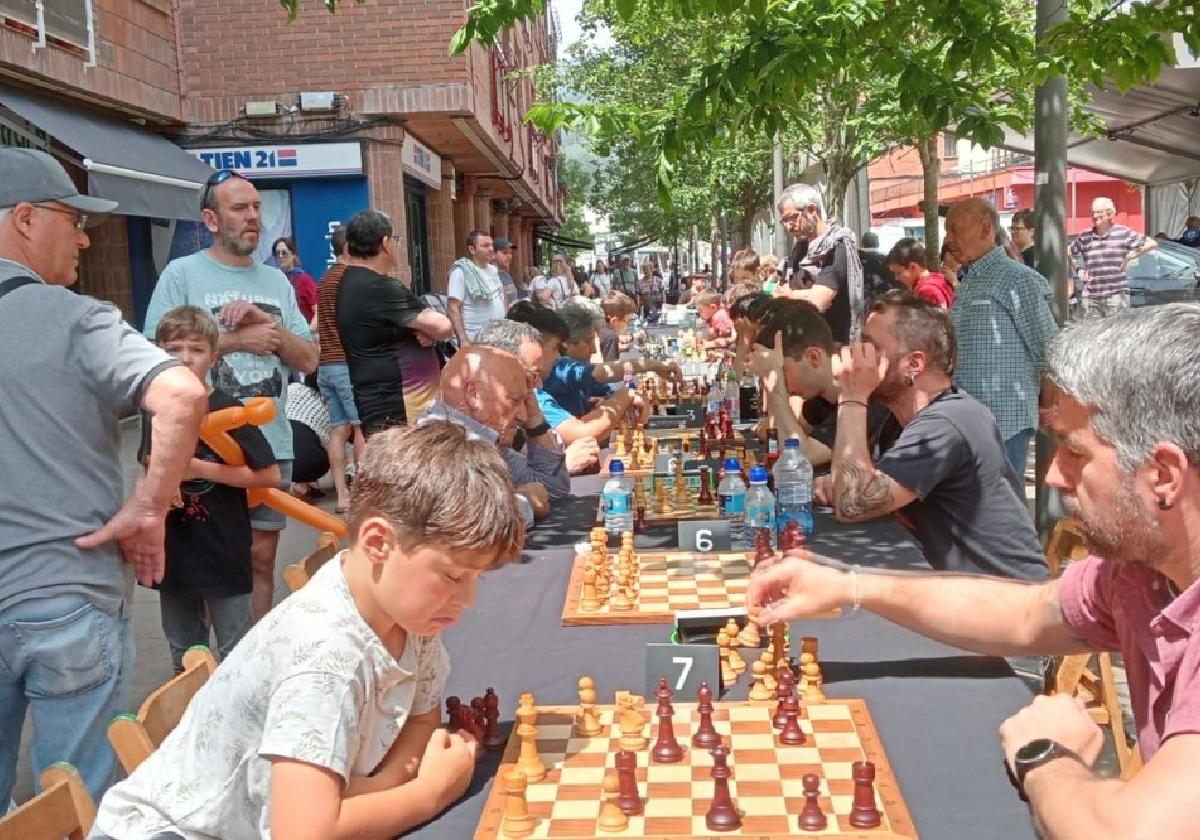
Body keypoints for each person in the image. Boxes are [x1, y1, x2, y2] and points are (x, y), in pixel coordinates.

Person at [750, 303, 1200, 839]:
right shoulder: (1136, 573)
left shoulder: (949, 422)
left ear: (1165, 475)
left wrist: (1047, 756)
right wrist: (850, 584)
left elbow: (1130, 833)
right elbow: (1029, 612)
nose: (1052, 475)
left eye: (1076, 454)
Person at [91, 422, 524, 840]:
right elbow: (304, 833)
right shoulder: (324, 656)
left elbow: (422, 713)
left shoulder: (409, 615)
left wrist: (388, 781)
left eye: (476, 579)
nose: (467, 600)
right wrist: (429, 792)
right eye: (452, 577)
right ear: (378, 543)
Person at [0, 148, 207, 805]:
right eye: (73, 218)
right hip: (68, 599)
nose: (85, 237)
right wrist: (151, 505)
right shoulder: (78, 319)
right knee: (72, 809)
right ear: (26, 219)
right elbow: (181, 394)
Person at [774, 291, 1047, 579]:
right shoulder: (898, 419)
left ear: (914, 364)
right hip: (957, 593)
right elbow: (860, 491)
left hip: (1003, 604)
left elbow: (852, 504)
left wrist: (852, 396)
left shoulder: (947, 422)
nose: (854, 356)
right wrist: (848, 482)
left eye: (870, 348)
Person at [145, 170, 318, 622]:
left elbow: (310, 360)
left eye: (257, 207)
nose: (253, 217)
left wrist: (273, 330)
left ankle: (248, 660)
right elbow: (151, 353)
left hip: (268, 445)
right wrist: (237, 340)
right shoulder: (182, 275)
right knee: (208, 566)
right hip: (201, 448)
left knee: (260, 558)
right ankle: (208, 675)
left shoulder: (278, 282)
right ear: (211, 219)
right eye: (240, 208)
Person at [147, 306, 279, 671]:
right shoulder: (155, 409)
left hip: (223, 547)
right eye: (174, 349)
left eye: (196, 349)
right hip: (174, 551)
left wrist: (199, 468)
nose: (185, 359)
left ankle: (238, 722)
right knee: (183, 651)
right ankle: (191, 719)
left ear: (214, 356)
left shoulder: (227, 407)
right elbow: (147, 464)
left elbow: (268, 475)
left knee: (237, 650)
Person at [946, 198, 1058, 477]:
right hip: (969, 418)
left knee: (1002, 511)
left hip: (1004, 422)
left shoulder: (1018, 280)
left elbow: (1050, 350)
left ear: (985, 229)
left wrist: (1049, 406)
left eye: (955, 230)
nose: (949, 240)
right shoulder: (969, 279)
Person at [335, 210, 453, 436]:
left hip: (386, 399)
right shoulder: (379, 286)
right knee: (406, 467)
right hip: (397, 404)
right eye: (396, 240)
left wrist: (421, 329)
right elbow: (443, 326)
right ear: (385, 243)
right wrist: (427, 329)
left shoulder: (354, 281)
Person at [418, 345, 547, 526]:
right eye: (514, 400)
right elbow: (465, 520)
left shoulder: (489, 437)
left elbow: (548, 490)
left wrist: (536, 423)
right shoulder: (434, 440)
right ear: (473, 394)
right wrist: (523, 504)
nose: (522, 416)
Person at [507, 300, 646, 446]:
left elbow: (606, 387)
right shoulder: (553, 375)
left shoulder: (541, 380)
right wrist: (627, 394)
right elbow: (582, 434)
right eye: (555, 348)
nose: (558, 356)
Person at [543, 298, 681, 418]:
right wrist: (655, 365)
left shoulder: (571, 369)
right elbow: (602, 372)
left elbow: (606, 387)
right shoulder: (558, 367)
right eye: (588, 341)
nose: (594, 350)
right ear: (567, 342)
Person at [775, 183, 866, 344]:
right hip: (803, 342)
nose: (789, 226)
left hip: (834, 346)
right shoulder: (800, 249)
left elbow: (819, 302)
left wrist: (789, 295)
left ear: (812, 210)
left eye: (793, 217)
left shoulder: (837, 246)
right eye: (784, 221)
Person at [315, 224, 365, 514]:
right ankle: (362, 493)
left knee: (338, 429)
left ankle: (342, 494)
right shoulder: (348, 278)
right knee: (360, 428)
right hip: (347, 363)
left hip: (327, 364)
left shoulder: (325, 280)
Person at [1068, 196, 1157, 319]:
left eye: (1098, 212)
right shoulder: (1085, 236)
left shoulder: (1123, 232)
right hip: (1091, 297)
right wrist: (1078, 269)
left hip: (1116, 296)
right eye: (1092, 212)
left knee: (1116, 335)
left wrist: (1131, 256)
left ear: (1110, 213)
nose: (1094, 216)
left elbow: (1152, 243)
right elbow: (1069, 251)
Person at [447, 229, 505, 344]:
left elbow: (501, 296)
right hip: (476, 339)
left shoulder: (493, 270)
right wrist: (463, 340)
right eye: (485, 245)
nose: (491, 249)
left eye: (491, 245)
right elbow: (453, 308)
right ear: (472, 249)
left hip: (498, 337)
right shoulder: (461, 271)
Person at [286, 375, 332, 494]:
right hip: (307, 462)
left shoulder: (292, 387)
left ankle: (301, 484)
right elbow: (331, 446)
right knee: (328, 450)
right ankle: (302, 483)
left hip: (277, 457)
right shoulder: (330, 404)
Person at [885, 237, 954, 309]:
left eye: (898, 273)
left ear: (913, 267)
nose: (896, 278)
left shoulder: (926, 291)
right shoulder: (939, 279)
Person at [271, 236, 318, 323]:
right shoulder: (274, 280)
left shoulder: (304, 279)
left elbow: (318, 312)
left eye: (284, 252)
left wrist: (308, 332)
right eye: (277, 253)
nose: (281, 256)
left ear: (293, 255)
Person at [598, 290, 637, 361]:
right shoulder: (611, 337)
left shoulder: (600, 329)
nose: (628, 325)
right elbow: (609, 368)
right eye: (627, 321)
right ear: (614, 321)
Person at [493, 236, 520, 307]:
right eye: (504, 253)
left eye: (510, 253)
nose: (509, 256)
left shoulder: (507, 276)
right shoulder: (490, 276)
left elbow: (511, 296)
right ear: (493, 254)